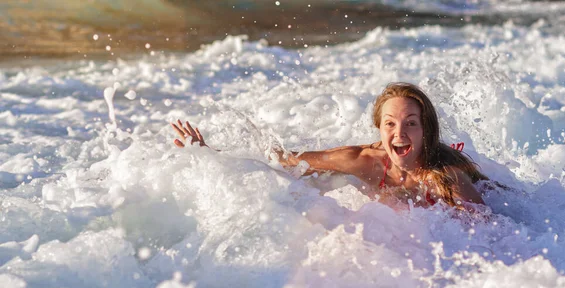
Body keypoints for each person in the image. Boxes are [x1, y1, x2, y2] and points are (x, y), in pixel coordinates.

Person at [172, 82, 488, 208]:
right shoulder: (362, 161)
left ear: (426, 131)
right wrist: (211, 154)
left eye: (411, 123)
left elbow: (491, 228)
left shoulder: (444, 176)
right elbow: (283, 161)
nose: (399, 132)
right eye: (389, 123)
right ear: (379, 128)